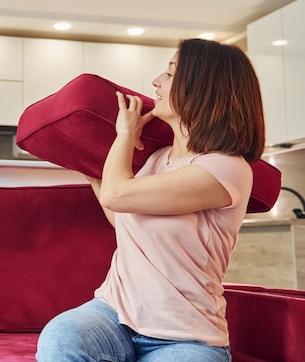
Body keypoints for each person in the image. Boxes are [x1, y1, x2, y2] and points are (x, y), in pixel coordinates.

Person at [36, 38, 265, 362]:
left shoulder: (225, 168)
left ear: (202, 86)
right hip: (112, 314)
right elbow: (124, 217)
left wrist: (126, 135)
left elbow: (118, 195)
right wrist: (86, 165)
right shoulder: (158, 158)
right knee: (60, 339)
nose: (157, 82)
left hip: (186, 336)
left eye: (170, 73)